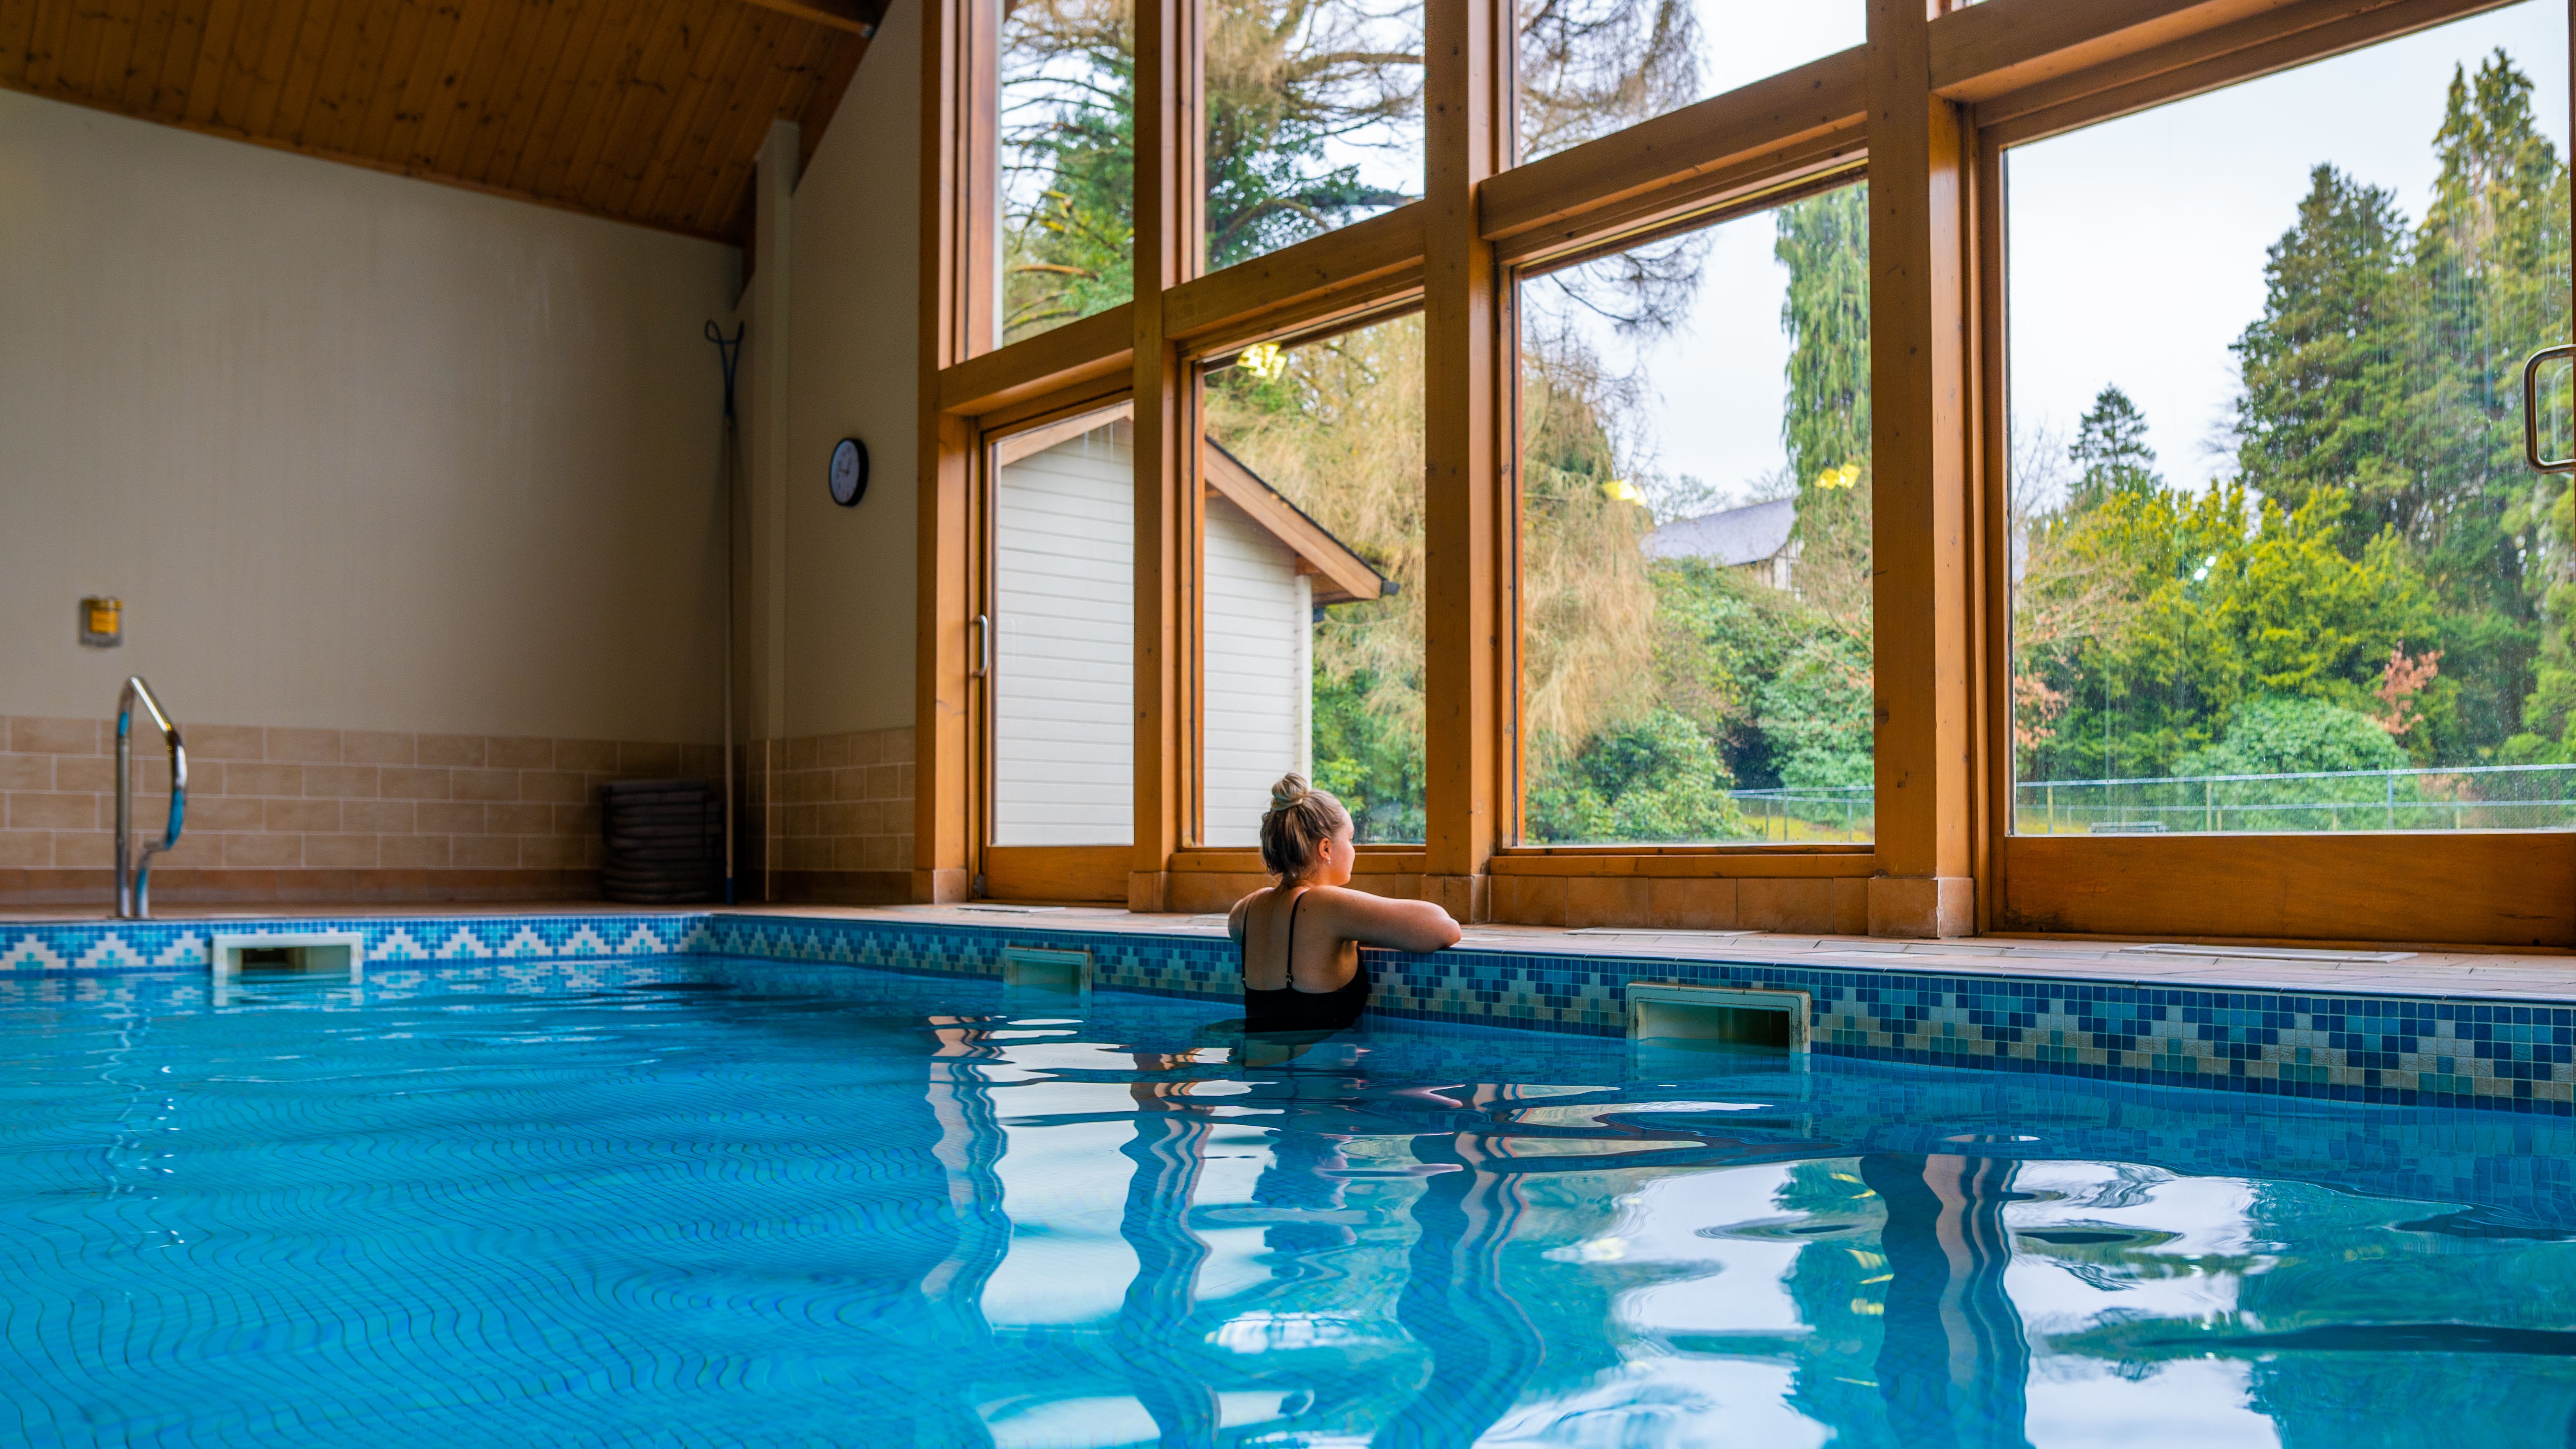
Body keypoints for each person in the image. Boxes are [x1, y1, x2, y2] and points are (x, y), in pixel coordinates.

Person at [1228, 774, 1462, 1034]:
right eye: (1350, 839)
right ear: (1326, 848)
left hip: (1255, 1068)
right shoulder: (1327, 906)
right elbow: (1444, 928)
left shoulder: (1245, 911)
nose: (1353, 850)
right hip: (1318, 1073)